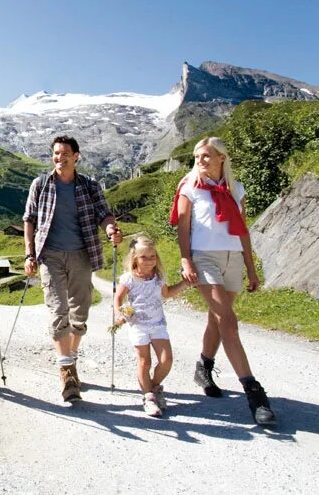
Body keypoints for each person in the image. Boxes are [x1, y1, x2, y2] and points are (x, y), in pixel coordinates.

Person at [170, 136, 276, 425]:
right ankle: (255, 394)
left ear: (221, 158)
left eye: (206, 156)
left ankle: (203, 366)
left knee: (218, 319)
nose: (200, 161)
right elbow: (183, 226)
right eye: (196, 156)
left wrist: (251, 268)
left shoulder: (235, 189)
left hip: (232, 259)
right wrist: (185, 259)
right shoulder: (189, 186)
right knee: (228, 320)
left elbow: (242, 231)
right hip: (204, 258)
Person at [23, 135, 122, 401]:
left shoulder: (90, 185)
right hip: (50, 255)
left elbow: (104, 213)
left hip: (82, 254)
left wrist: (111, 228)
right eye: (56, 153)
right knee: (58, 310)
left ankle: (71, 357)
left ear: (76, 156)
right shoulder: (41, 184)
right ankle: (66, 371)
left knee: (80, 313)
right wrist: (29, 254)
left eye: (65, 153)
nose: (60, 157)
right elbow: (29, 220)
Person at [112, 234, 190, 417]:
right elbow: (118, 297)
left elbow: (167, 293)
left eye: (152, 257)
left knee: (166, 360)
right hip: (137, 324)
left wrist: (185, 284)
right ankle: (148, 397)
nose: (148, 261)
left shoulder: (158, 277)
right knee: (144, 361)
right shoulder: (129, 279)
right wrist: (119, 314)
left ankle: (154, 386)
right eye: (143, 257)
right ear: (134, 259)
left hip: (157, 323)